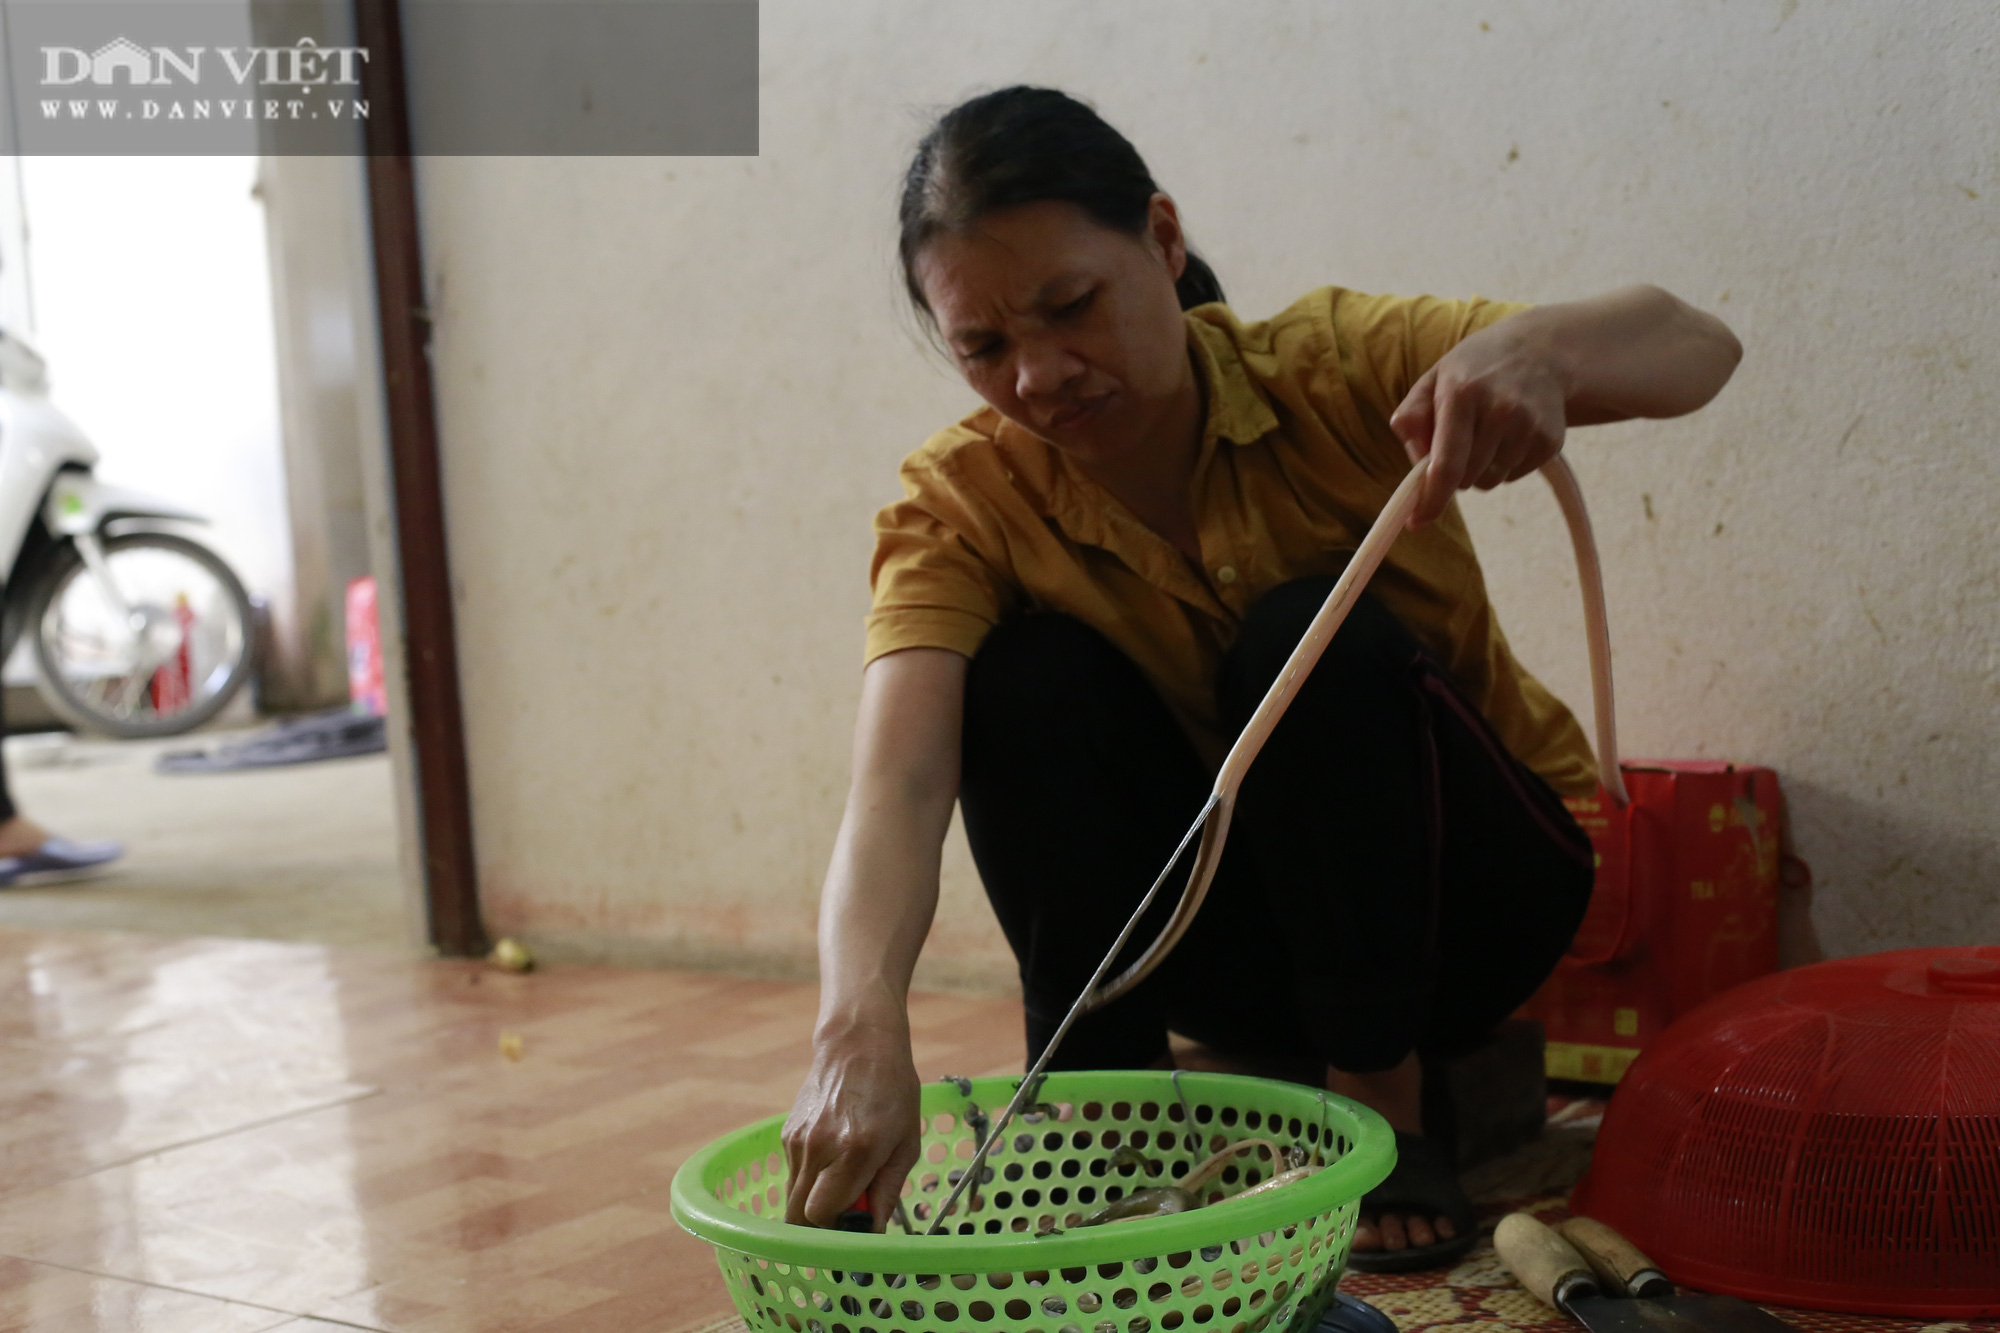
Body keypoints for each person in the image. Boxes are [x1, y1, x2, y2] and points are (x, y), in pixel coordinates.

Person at [782, 85, 1740, 1270]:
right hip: (1228, 951)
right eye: (982, 345)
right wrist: (856, 1024)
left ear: (1163, 238)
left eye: (1069, 305)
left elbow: (1700, 345)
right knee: (1022, 679)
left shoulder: (1333, 370)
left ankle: (1378, 1108)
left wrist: (1531, 351)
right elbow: (898, 782)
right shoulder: (962, 504)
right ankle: (1099, 1123)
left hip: (1471, 903)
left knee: (1308, 628)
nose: (1037, 375)